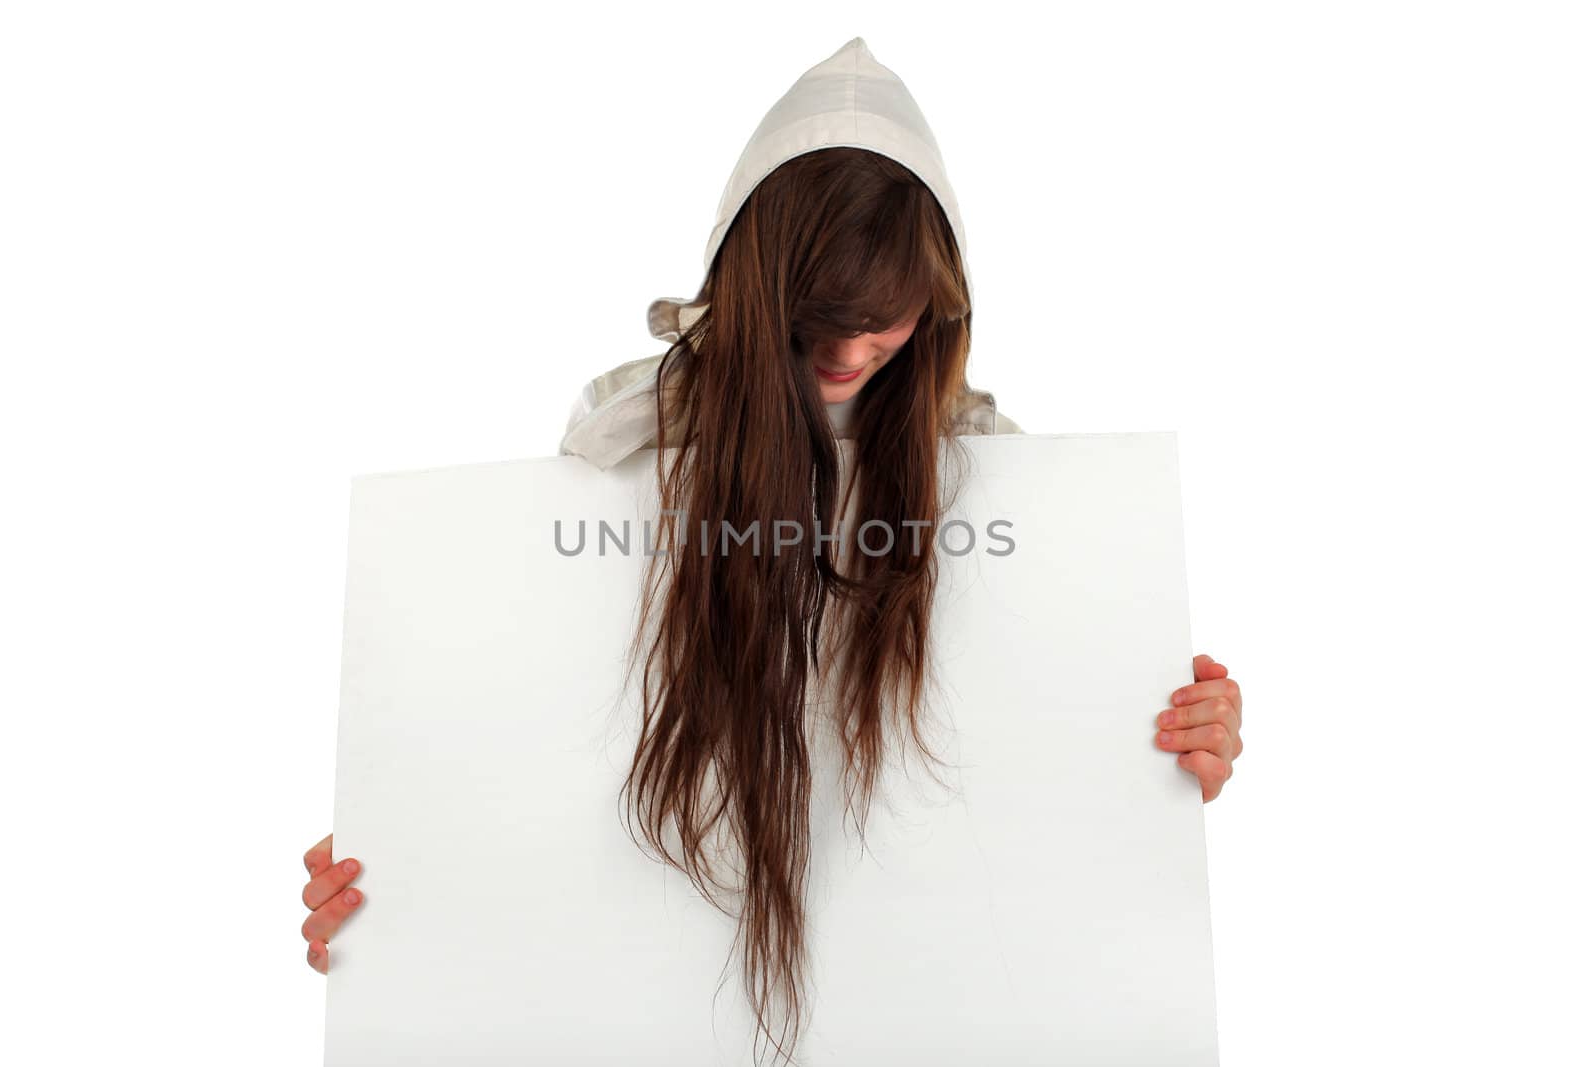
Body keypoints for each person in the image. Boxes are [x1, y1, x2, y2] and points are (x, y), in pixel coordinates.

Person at [300, 35, 1245, 1062]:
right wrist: (397, 888)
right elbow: (544, 729)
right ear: (752, 292)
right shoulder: (630, 445)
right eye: (816, 325)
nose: (845, 361)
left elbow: (1036, 796)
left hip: (917, 1013)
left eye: (880, 330)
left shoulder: (991, 472)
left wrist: (1164, 755)